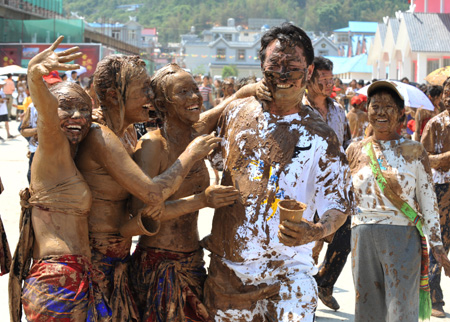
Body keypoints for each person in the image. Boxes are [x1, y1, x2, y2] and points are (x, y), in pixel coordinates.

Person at [201, 23, 352, 321]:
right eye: (275, 65)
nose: (283, 76)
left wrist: (317, 231)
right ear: (261, 67)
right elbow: (198, 142)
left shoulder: (322, 137)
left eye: (292, 67)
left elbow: (338, 205)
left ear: (308, 72)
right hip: (228, 275)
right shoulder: (235, 114)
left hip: (288, 277)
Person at [75, 54, 219, 321]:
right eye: (143, 88)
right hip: (97, 263)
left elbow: (197, 119)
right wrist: (191, 160)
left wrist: (243, 93)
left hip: (120, 261)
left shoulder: (127, 132)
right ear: (114, 96)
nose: (150, 95)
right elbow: (151, 196)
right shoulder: (102, 136)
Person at [129, 63, 262, 322]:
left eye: (194, 89)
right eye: (183, 92)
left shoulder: (197, 132)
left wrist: (262, 87)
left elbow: (236, 97)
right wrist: (202, 200)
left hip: (193, 260)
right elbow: (141, 214)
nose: (194, 98)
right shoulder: (153, 144)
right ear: (162, 104)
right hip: (157, 262)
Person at [9, 36, 111, 322]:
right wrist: (34, 74)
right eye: (66, 107)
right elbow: (47, 119)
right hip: (58, 283)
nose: (76, 115)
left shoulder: (72, 154)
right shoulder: (51, 148)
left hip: (76, 278)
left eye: (84, 110)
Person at [347, 80, 450, 321]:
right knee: (367, 308)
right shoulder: (354, 150)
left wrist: (438, 247)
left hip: (403, 239)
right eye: (375, 106)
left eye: (388, 106)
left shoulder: (414, 150)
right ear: (367, 110)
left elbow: (428, 200)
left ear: (401, 113)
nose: (380, 112)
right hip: (362, 238)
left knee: (401, 309)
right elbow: (342, 199)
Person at [301, 56, 351, 311]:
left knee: (344, 235)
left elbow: (347, 143)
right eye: (324, 80)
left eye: (331, 80)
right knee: (308, 243)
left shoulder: (338, 110)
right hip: (304, 187)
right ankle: (303, 297)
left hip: (333, 185)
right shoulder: (297, 109)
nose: (329, 85)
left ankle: (324, 282)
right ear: (309, 79)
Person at [421, 77, 450, 317]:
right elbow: (422, 159)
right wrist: (445, 159)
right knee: (440, 246)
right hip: (443, 193)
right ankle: (434, 297)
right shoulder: (435, 124)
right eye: (447, 93)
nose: (449, 98)